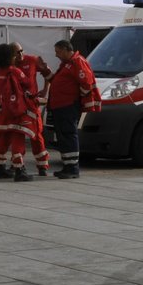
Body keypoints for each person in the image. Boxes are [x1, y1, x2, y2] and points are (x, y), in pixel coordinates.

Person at [46, 38, 98, 179]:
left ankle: (73, 168)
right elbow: (57, 81)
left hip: (68, 106)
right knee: (64, 137)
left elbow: (86, 82)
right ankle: (68, 166)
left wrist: (76, 99)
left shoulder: (77, 62)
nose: (56, 55)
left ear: (64, 50)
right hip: (61, 106)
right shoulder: (66, 64)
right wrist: (46, 71)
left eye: (57, 52)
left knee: (69, 135)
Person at [0, 43, 44, 181]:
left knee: (4, 139)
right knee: (18, 138)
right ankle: (20, 170)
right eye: (14, 54)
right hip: (16, 111)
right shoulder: (14, 70)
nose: (17, 56)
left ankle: (0, 168)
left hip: (3, 112)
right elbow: (27, 82)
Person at [5, 42, 52, 177]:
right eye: (17, 53)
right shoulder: (9, 66)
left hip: (31, 104)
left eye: (21, 51)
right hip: (16, 106)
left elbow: (47, 73)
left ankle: (42, 166)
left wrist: (45, 90)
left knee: (36, 135)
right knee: (17, 134)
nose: (20, 55)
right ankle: (16, 165)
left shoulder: (32, 60)